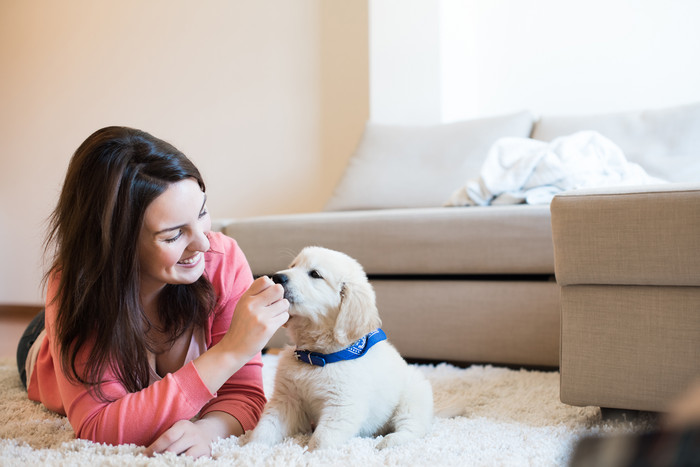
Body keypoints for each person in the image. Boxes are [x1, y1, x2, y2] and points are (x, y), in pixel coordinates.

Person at [16, 126, 289, 458]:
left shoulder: (222, 259)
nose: (203, 244)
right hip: (40, 345)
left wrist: (208, 430)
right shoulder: (77, 284)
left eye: (202, 213)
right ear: (118, 246)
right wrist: (230, 351)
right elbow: (99, 426)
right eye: (174, 235)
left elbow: (244, 395)